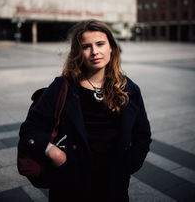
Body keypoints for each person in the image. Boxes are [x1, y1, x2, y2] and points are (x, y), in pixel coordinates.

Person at [19, 19, 151, 202]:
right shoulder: (62, 86)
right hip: (70, 181)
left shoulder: (129, 89)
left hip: (113, 184)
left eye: (100, 44)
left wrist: (128, 164)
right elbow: (29, 130)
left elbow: (142, 134)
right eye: (86, 46)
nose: (94, 52)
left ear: (111, 48)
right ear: (78, 52)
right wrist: (53, 152)